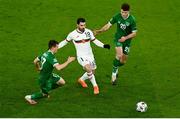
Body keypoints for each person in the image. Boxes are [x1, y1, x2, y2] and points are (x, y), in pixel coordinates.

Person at [58, 18, 110, 94]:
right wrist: (56, 47)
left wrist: (103, 45)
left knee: (92, 72)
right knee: (88, 68)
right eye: (81, 25)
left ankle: (81, 80)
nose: (83, 27)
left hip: (90, 55)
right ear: (77, 25)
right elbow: (65, 42)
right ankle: (95, 86)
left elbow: (95, 40)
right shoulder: (72, 34)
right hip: (81, 56)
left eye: (84, 25)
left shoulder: (88, 32)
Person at [93, 3, 137, 85]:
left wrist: (126, 38)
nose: (123, 14)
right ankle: (113, 76)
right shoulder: (117, 16)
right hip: (118, 39)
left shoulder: (132, 20)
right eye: (122, 12)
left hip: (127, 41)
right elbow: (108, 25)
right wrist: (99, 31)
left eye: (125, 13)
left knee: (123, 61)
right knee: (119, 55)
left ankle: (116, 68)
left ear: (129, 12)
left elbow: (134, 33)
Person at [25, 40, 75, 104]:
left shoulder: (45, 53)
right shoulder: (51, 57)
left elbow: (35, 61)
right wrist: (68, 61)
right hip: (44, 79)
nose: (58, 48)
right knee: (44, 95)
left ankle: (47, 90)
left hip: (49, 75)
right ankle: (29, 97)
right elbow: (59, 68)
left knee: (62, 82)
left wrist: (38, 68)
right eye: (57, 47)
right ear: (53, 47)